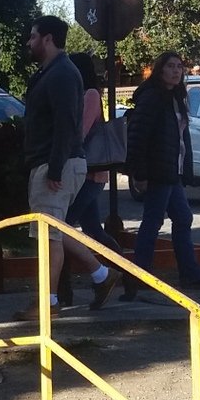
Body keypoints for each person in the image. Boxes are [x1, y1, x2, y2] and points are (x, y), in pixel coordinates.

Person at [17, 17, 115, 321]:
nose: (29, 43)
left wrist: (56, 169)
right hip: (51, 161)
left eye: (33, 37)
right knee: (56, 230)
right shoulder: (53, 72)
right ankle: (101, 274)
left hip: (54, 162)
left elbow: (65, 124)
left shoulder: (61, 74)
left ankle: (49, 303)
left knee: (49, 236)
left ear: (48, 39)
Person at [126, 51, 200, 295]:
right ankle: (139, 276)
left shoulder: (175, 97)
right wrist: (140, 173)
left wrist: (186, 169)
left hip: (171, 169)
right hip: (158, 169)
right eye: (170, 66)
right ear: (160, 70)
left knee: (183, 218)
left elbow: (179, 137)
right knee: (153, 222)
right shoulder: (152, 97)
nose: (176, 71)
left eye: (179, 67)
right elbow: (138, 135)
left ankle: (190, 273)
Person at [60, 52, 122, 302]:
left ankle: (66, 291)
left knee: (59, 230)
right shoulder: (84, 94)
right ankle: (125, 275)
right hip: (89, 174)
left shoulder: (90, 95)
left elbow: (80, 132)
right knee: (94, 230)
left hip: (89, 174)